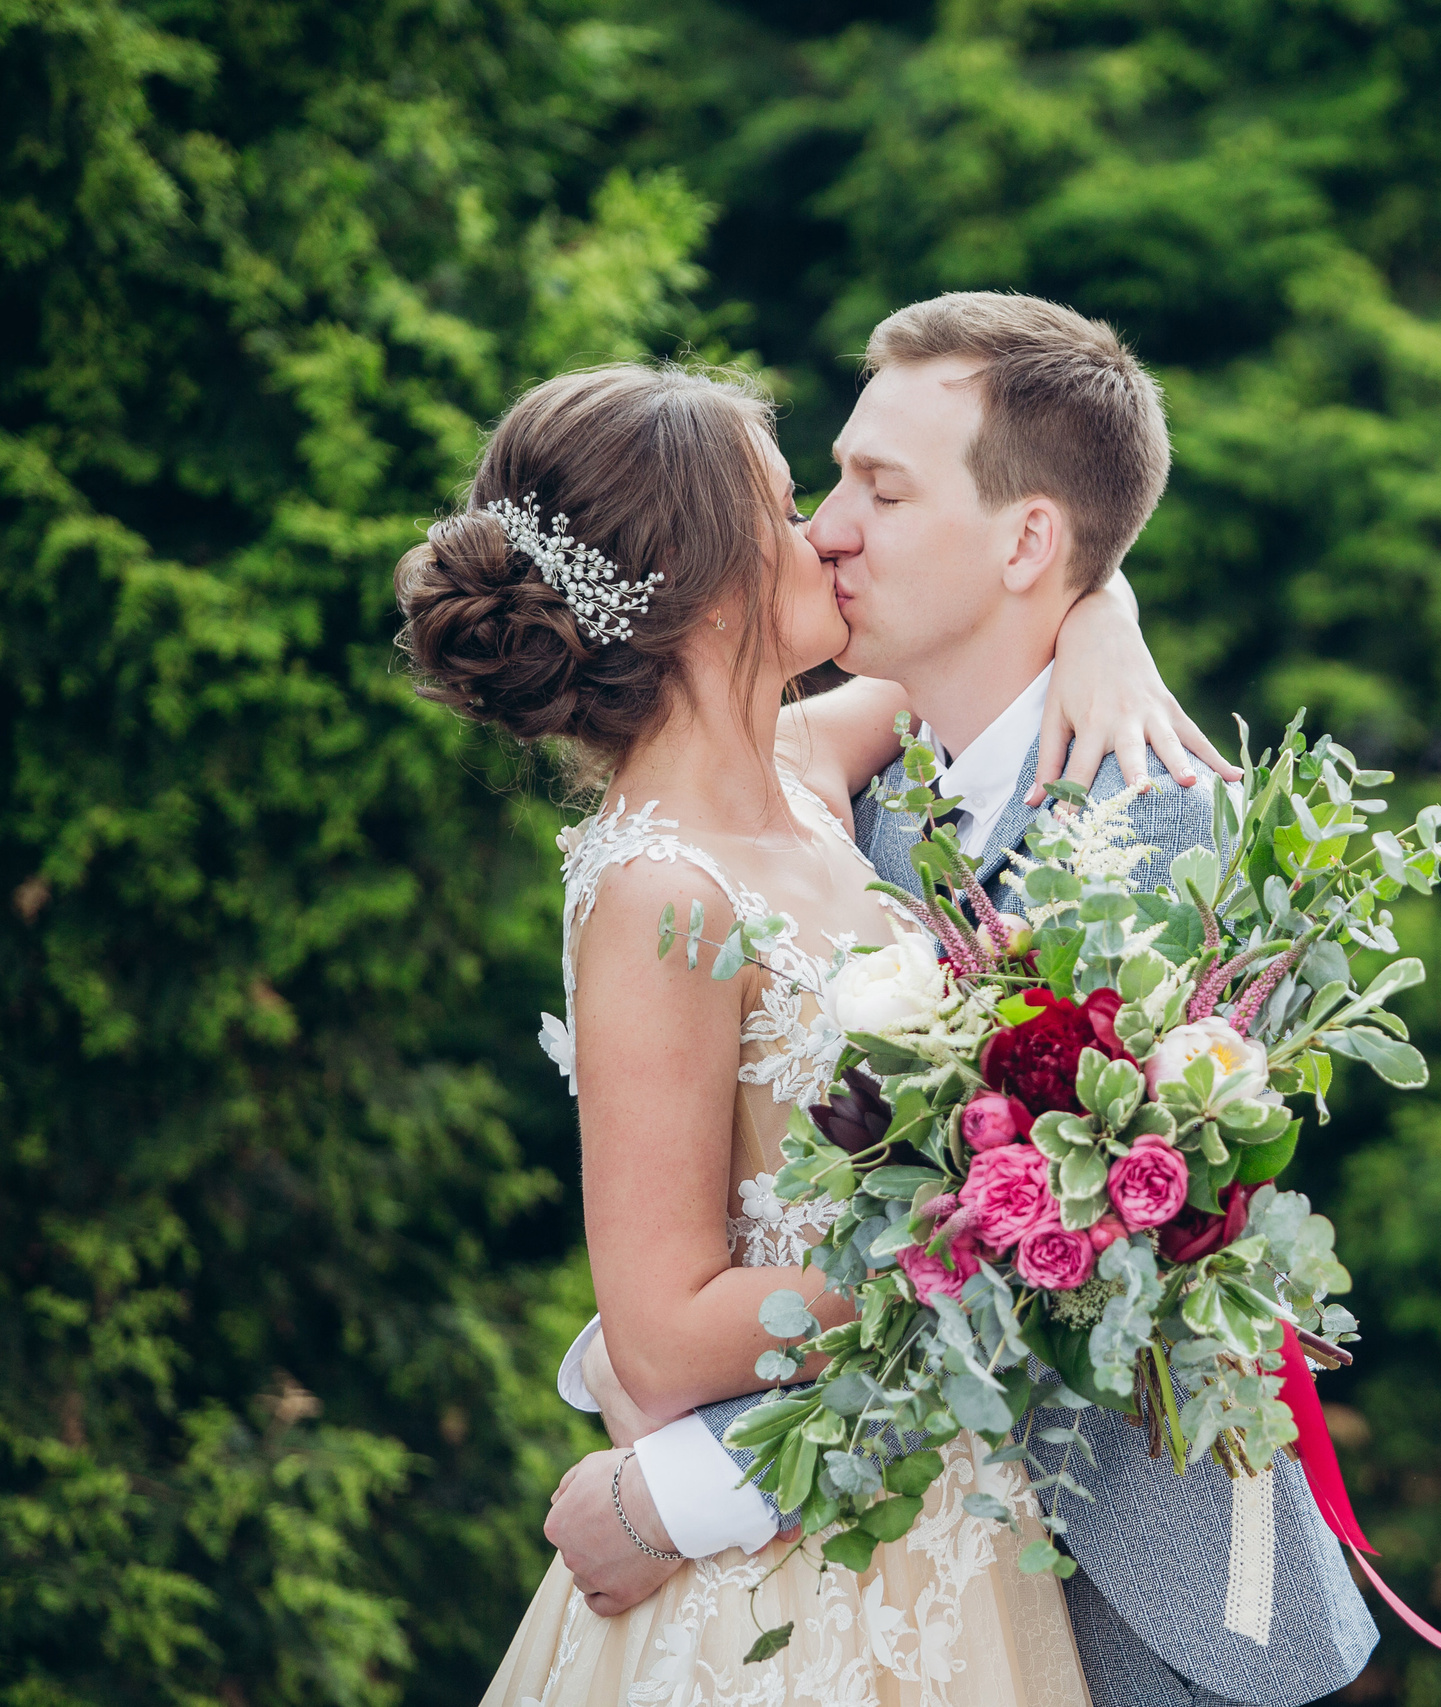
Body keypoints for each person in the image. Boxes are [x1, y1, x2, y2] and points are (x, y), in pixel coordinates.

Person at [560, 294, 1380, 1707]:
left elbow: (1053, 1279)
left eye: (879, 488)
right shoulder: (835, 803)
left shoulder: (1173, 845)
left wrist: (691, 1487)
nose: (824, 529)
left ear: (1024, 540)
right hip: (880, 1600)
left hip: (1131, 1602)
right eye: (829, 482)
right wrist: (1099, 602)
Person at [394, 358, 1221, 1706]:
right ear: (706, 578)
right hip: (789, 1586)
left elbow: (992, 628)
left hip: (953, 1528)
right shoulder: (663, 890)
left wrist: (1103, 607)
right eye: (788, 510)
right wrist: (984, 1239)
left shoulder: (797, 771)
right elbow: (656, 1337)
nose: (826, 532)